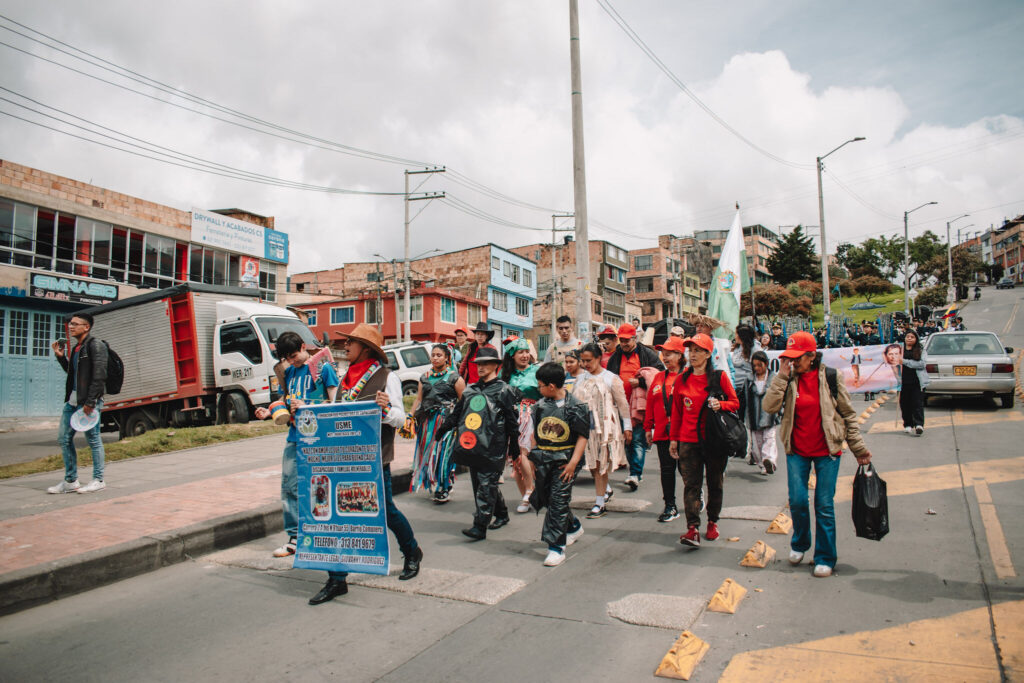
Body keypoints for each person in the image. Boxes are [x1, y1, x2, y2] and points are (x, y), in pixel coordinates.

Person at [307, 324, 422, 605]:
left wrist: (385, 409)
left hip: (374, 458)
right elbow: (335, 414)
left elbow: (400, 419)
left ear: (366, 348)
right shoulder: (345, 378)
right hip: (343, 459)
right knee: (338, 519)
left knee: (384, 513)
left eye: (351, 343)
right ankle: (337, 579)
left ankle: (412, 551)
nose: (345, 347)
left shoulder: (387, 377)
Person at [762, 331, 872, 578]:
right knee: (798, 501)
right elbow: (768, 407)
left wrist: (859, 449)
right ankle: (800, 543)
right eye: (789, 358)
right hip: (797, 451)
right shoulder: (788, 379)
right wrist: (780, 376)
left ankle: (825, 557)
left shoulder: (831, 378)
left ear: (811, 356)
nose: (793, 363)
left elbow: (847, 414)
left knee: (823, 505)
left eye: (797, 358)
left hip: (827, 451)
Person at [255, 331, 340, 559]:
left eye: (294, 356)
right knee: (289, 485)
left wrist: (307, 405)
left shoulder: (323, 369)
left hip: (320, 438)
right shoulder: (290, 372)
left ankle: (324, 533)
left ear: (304, 346)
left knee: (321, 487)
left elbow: (336, 403)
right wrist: (270, 410)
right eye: (288, 359)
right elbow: (287, 399)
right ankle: (295, 537)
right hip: (295, 435)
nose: (292, 361)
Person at [441, 346, 521, 540]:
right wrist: (443, 428)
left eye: (486, 363)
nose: (481, 367)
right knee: (483, 484)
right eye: (479, 363)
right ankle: (501, 514)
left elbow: (512, 420)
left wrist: (514, 447)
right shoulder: (471, 390)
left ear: (496, 365)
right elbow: (458, 412)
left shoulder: (504, 390)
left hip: (495, 446)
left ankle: (480, 526)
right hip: (473, 445)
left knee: (486, 485)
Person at [669, 333, 740, 548]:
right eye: (691, 350)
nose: (693, 355)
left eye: (698, 350)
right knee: (691, 484)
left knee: (715, 482)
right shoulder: (682, 379)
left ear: (709, 354)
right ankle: (692, 528)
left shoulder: (719, 377)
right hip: (688, 440)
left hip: (714, 440)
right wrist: (674, 439)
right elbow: (677, 411)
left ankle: (712, 522)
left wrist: (722, 405)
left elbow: (735, 402)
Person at [527, 362, 589, 566]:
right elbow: (535, 434)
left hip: (566, 460)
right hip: (544, 458)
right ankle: (573, 526)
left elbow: (582, 437)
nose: (539, 389)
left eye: (540, 385)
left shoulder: (577, 407)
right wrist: (534, 458)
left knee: (558, 498)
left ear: (551, 386)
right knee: (547, 497)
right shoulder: (540, 406)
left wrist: (573, 463)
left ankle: (556, 547)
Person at [48, 313, 109, 494]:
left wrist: (90, 402)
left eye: (75, 324)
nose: (70, 327)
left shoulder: (95, 345)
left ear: (86, 327)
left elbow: (100, 376)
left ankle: (98, 479)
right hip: (72, 402)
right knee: (64, 438)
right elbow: (73, 373)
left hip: (88, 403)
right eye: (70, 324)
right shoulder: (77, 348)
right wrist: (61, 357)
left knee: (93, 440)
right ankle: (70, 481)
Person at [572, 343, 631, 518]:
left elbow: (623, 405)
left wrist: (627, 427)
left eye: (589, 360)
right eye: (582, 361)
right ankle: (605, 490)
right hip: (585, 428)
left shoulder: (611, 378)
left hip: (605, 429)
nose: (585, 364)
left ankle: (599, 502)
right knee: (592, 464)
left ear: (599, 358)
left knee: (601, 464)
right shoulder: (580, 379)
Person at [606, 323, 664, 490]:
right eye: (621, 340)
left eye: (627, 340)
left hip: (640, 404)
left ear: (635, 338)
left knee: (637, 439)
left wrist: (639, 382)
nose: (624, 343)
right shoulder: (615, 357)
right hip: (621, 405)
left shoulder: (647, 354)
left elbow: (659, 373)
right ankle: (635, 471)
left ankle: (635, 474)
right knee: (627, 439)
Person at [410, 344, 466, 503]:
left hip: (446, 422)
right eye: (433, 355)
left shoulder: (455, 378)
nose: (435, 358)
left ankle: (442, 487)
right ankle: (442, 483)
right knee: (428, 453)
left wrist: (460, 423)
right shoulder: (425, 376)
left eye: (439, 355)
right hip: (427, 422)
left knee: (443, 454)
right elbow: (419, 399)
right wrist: (410, 416)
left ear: (447, 358)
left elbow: (464, 403)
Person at [644, 336, 686, 523]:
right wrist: (648, 427)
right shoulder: (659, 377)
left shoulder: (688, 377)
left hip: (685, 434)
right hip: (662, 432)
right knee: (667, 471)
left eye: (669, 354)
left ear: (680, 355)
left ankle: (695, 496)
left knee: (686, 470)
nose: (665, 357)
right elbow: (651, 403)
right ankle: (670, 505)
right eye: (663, 354)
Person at [501, 338, 539, 514]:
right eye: (520, 352)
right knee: (515, 459)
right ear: (512, 356)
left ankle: (531, 489)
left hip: (533, 417)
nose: (525, 355)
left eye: (526, 352)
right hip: (512, 417)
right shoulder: (506, 375)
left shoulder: (537, 370)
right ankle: (526, 496)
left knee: (524, 453)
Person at [746, 350, 780, 475]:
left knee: (769, 439)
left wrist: (779, 411)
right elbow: (744, 397)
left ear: (766, 364)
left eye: (760, 365)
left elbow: (779, 396)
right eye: (754, 366)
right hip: (754, 415)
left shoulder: (774, 378)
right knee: (757, 444)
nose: (757, 368)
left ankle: (769, 460)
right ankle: (762, 464)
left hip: (770, 415)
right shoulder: (749, 380)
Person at [730, 324, 760, 459]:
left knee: (750, 419)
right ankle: (740, 446)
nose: (734, 336)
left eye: (736, 334)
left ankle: (754, 450)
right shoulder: (737, 348)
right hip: (736, 387)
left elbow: (759, 368)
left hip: (748, 387)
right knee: (738, 418)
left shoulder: (755, 348)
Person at [899, 330, 929, 436]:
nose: (909, 338)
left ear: (916, 339)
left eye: (912, 337)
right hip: (903, 382)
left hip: (917, 382)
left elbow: (922, 364)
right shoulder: (899, 350)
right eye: (908, 336)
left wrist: (905, 362)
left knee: (917, 403)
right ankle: (908, 425)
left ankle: (919, 424)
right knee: (904, 404)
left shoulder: (920, 350)